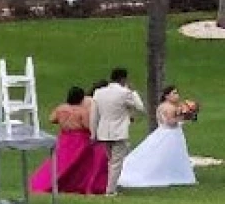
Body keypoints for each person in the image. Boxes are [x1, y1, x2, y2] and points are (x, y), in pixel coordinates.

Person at [31, 86, 112, 196]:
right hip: (79, 140)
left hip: (64, 138)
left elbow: (52, 119)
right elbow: (87, 126)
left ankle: (43, 183)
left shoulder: (61, 108)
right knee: (82, 164)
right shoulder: (82, 111)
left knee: (59, 162)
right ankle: (83, 184)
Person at [117, 87, 199, 190]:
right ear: (167, 96)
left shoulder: (162, 106)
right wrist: (184, 116)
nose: (177, 95)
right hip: (170, 134)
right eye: (174, 93)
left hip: (162, 132)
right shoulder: (170, 107)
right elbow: (170, 122)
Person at [91, 67, 146, 195]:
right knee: (116, 162)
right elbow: (140, 107)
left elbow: (94, 114)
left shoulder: (99, 92)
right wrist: (133, 92)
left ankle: (110, 187)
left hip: (103, 131)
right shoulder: (125, 92)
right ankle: (110, 191)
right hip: (119, 131)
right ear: (123, 79)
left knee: (112, 161)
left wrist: (93, 132)